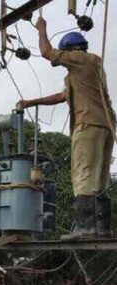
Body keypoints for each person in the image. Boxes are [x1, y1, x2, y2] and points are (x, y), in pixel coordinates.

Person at [18, 16, 116, 240]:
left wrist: (42, 28)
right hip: (106, 125)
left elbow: (46, 52)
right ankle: (102, 229)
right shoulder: (91, 68)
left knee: (82, 174)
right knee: (100, 179)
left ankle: (86, 227)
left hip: (87, 123)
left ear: (71, 50)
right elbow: (63, 96)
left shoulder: (80, 59)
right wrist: (32, 102)